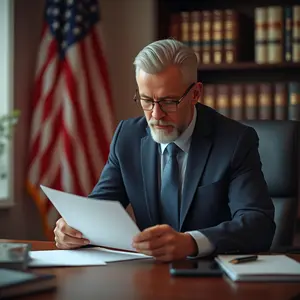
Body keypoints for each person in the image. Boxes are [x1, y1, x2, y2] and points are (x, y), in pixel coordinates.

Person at [54, 39, 275, 261]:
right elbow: (99, 210)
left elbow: (258, 224)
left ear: (195, 94)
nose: (156, 115)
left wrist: (191, 242)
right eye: (146, 100)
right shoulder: (128, 136)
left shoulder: (234, 141)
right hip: (147, 275)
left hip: (211, 275)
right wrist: (75, 229)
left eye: (169, 101)